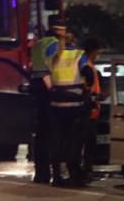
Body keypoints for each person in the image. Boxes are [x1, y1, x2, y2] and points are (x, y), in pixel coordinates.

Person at [42, 23, 89, 187]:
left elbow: (44, 75)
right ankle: (74, 175)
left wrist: (53, 90)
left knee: (56, 141)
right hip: (75, 106)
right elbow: (87, 73)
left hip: (56, 105)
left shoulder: (51, 53)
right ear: (74, 41)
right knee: (74, 143)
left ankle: (56, 176)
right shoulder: (79, 55)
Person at [28, 16, 64, 183]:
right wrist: (53, 90)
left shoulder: (37, 45)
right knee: (52, 135)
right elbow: (45, 72)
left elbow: (36, 70)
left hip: (38, 94)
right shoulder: (52, 45)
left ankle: (41, 173)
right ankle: (54, 174)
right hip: (48, 95)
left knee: (41, 135)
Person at [77, 37, 104, 184]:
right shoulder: (87, 66)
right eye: (98, 51)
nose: (98, 54)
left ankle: (86, 169)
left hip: (90, 108)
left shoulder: (88, 65)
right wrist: (97, 98)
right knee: (88, 142)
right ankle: (86, 170)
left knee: (87, 142)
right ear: (94, 51)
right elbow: (88, 89)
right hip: (88, 110)